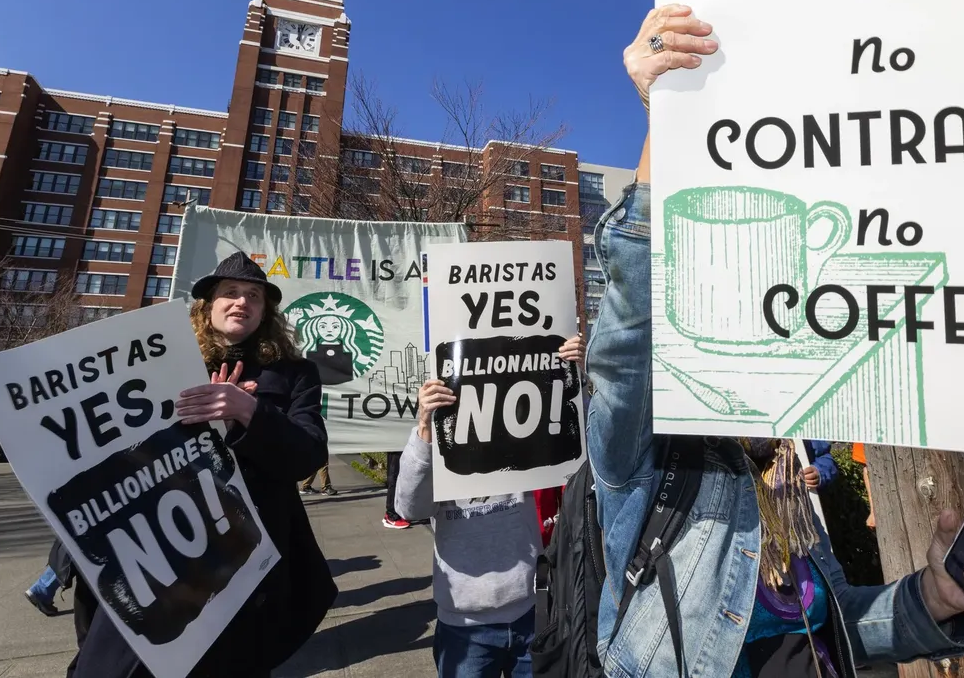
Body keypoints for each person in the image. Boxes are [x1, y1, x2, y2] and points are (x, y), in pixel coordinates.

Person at [580, 4, 964, 677]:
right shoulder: (649, 460)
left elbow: (835, 623)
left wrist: (930, 602)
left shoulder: (781, 477)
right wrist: (666, 123)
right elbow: (624, 344)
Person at [69, 251, 337, 678]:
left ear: (265, 311)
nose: (241, 302)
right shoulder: (157, 363)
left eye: (253, 295)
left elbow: (308, 453)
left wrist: (250, 413)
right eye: (229, 293)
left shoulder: (294, 373)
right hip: (156, 547)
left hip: (242, 559)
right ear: (207, 307)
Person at [398, 334, 583, 677]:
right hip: (464, 628)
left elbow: (579, 442)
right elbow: (410, 508)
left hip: (532, 611)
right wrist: (424, 426)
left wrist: (573, 372)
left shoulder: (528, 428)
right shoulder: (441, 436)